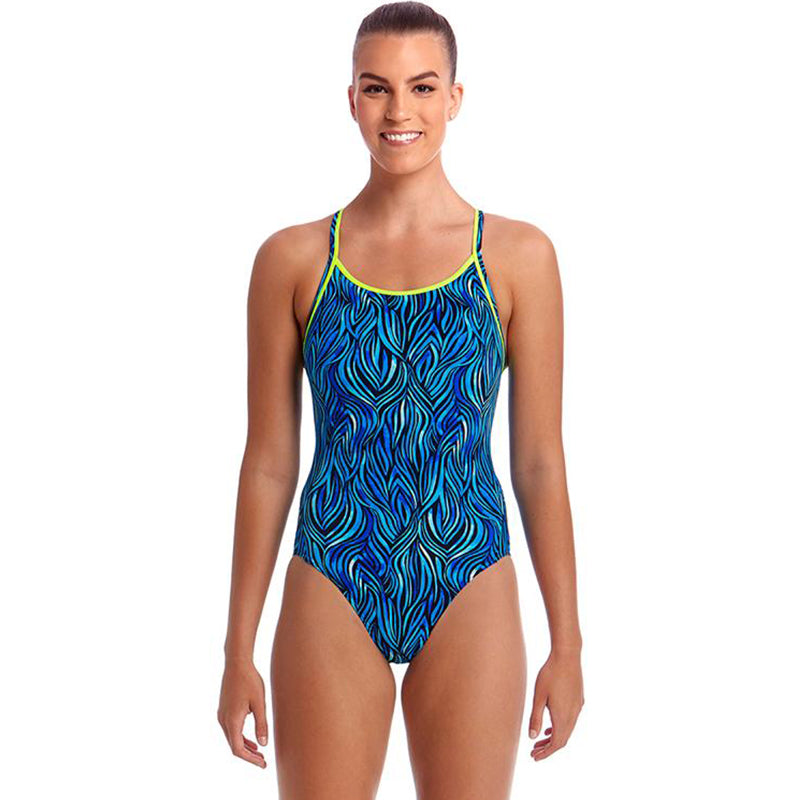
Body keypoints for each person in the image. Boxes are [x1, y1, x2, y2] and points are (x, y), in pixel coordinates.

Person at [217, 2, 584, 797]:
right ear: (351, 99)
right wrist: (236, 648)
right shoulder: (294, 260)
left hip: (469, 569)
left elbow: (539, 461)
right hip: (334, 566)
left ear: (455, 97)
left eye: (421, 87)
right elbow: (269, 463)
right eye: (377, 88)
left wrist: (569, 643)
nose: (399, 111)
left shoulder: (517, 257)